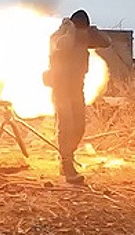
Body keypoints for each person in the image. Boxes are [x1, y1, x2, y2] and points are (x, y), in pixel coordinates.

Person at [44, 10, 110, 184]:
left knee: (79, 127)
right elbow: (63, 45)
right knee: (65, 125)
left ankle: (67, 155)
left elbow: (106, 42)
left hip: (76, 88)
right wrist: (70, 30)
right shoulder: (60, 36)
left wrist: (91, 31)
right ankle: (67, 165)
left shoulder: (83, 38)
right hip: (61, 87)